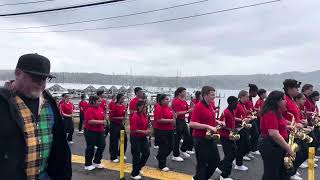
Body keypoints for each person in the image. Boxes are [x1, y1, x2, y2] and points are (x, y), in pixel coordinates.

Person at [0, 53, 71, 179]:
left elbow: (59, 145)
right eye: (35, 78)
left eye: (45, 79)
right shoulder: (3, 102)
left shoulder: (49, 102)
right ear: (18, 73)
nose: (41, 84)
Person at [190, 86, 224, 180]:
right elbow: (191, 124)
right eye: (212, 95)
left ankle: (200, 178)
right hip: (200, 139)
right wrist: (208, 126)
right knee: (202, 164)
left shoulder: (210, 104)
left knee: (216, 161)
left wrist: (218, 122)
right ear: (205, 95)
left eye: (215, 94)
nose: (214, 96)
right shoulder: (199, 106)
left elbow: (210, 118)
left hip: (210, 138)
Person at [258, 90, 292, 180]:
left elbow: (277, 126)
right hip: (270, 145)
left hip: (275, 145)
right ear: (277, 101)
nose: (285, 101)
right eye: (283, 99)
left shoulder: (276, 111)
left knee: (277, 171)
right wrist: (288, 148)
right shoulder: (270, 112)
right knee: (271, 173)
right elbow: (273, 134)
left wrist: (287, 127)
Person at [281, 79, 305, 180]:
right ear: (290, 89)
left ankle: (292, 172)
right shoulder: (284, 99)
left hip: (294, 131)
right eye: (296, 88)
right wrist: (294, 124)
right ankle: (290, 173)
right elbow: (279, 117)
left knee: (301, 153)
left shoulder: (291, 99)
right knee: (290, 157)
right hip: (287, 132)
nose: (298, 91)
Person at [218, 96, 239, 180]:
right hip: (225, 137)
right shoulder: (225, 112)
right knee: (229, 155)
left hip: (231, 136)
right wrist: (230, 129)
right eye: (236, 103)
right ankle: (224, 175)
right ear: (230, 103)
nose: (237, 104)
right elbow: (220, 125)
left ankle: (220, 166)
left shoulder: (232, 111)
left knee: (233, 154)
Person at [84, 96, 106, 171]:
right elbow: (90, 121)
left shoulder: (101, 109)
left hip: (100, 131)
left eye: (100, 101)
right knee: (90, 147)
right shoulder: (89, 110)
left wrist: (104, 123)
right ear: (93, 101)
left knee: (102, 145)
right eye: (98, 101)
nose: (100, 102)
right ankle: (88, 164)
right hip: (90, 131)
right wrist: (101, 122)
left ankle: (96, 161)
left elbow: (103, 118)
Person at [154, 94, 176, 172]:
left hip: (170, 130)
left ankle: (159, 156)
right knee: (163, 147)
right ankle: (162, 164)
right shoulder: (158, 108)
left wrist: (173, 118)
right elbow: (159, 120)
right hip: (161, 130)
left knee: (171, 146)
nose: (168, 100)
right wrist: (170, 120)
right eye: (166, 99)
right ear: (162, 100)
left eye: (168, 99)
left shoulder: (169, 108)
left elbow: (173, 117)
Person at [130, 101, 151, 180]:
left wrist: (148, 131)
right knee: (136, 155)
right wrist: (144, 132)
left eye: (145, 106)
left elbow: (146, 125)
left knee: (147, 153)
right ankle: (134, 173)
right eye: (143, 106)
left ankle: (138, 168)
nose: (145, 108)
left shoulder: (144, 115)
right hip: (136, 138)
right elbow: (133, 130)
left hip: (143, 137)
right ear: (138, 107)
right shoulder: (135, 116)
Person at [172, 87, 193, 161]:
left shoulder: (184, 101)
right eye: (184, 92)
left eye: (185, 92)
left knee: (188, 136)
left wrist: (191, 108)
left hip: (183, 120)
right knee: (177, 138)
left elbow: (188, 109)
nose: (185, 93)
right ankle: (175, 155)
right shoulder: (176, 101)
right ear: (180, 93)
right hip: (177, 120)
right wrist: (188, 111)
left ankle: (183, 150)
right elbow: (177, 113)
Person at [234, 90, 252, 171]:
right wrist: (242, 120)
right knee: (241, 146)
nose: (248, 98)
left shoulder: (242, 105)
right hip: (239, 128)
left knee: (245, 146)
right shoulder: (237, 105)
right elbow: (232, 117)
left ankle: (237, 160)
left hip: (243, 127)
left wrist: (247, 118)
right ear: (241, 96)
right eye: (247, 96)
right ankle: (238, 164)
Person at [109, 93, 128, 162]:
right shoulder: (114, 106)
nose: (123, 100)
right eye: (122, 98)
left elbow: (124, 115)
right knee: (114, 141)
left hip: (120, 125)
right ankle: (113, 156)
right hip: (114, 125)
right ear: (118, 99)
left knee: (124, 139)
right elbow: (110, 117)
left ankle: (121, 153)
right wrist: (120, 117)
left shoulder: (123, 106)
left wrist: (125, 116)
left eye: (124, 98)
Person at [244, 84, 260, 157]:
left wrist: (255, 110)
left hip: (252, 118)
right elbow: (243, 108)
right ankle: (250, 150)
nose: (257, 94)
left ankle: (251, 149)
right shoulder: (247, 99)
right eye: (256, 92)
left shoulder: (250, 99)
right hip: (248, 119)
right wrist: (250, 112)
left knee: (255, 134)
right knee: (253, 134)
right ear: (252, 91)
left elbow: (251, 108)